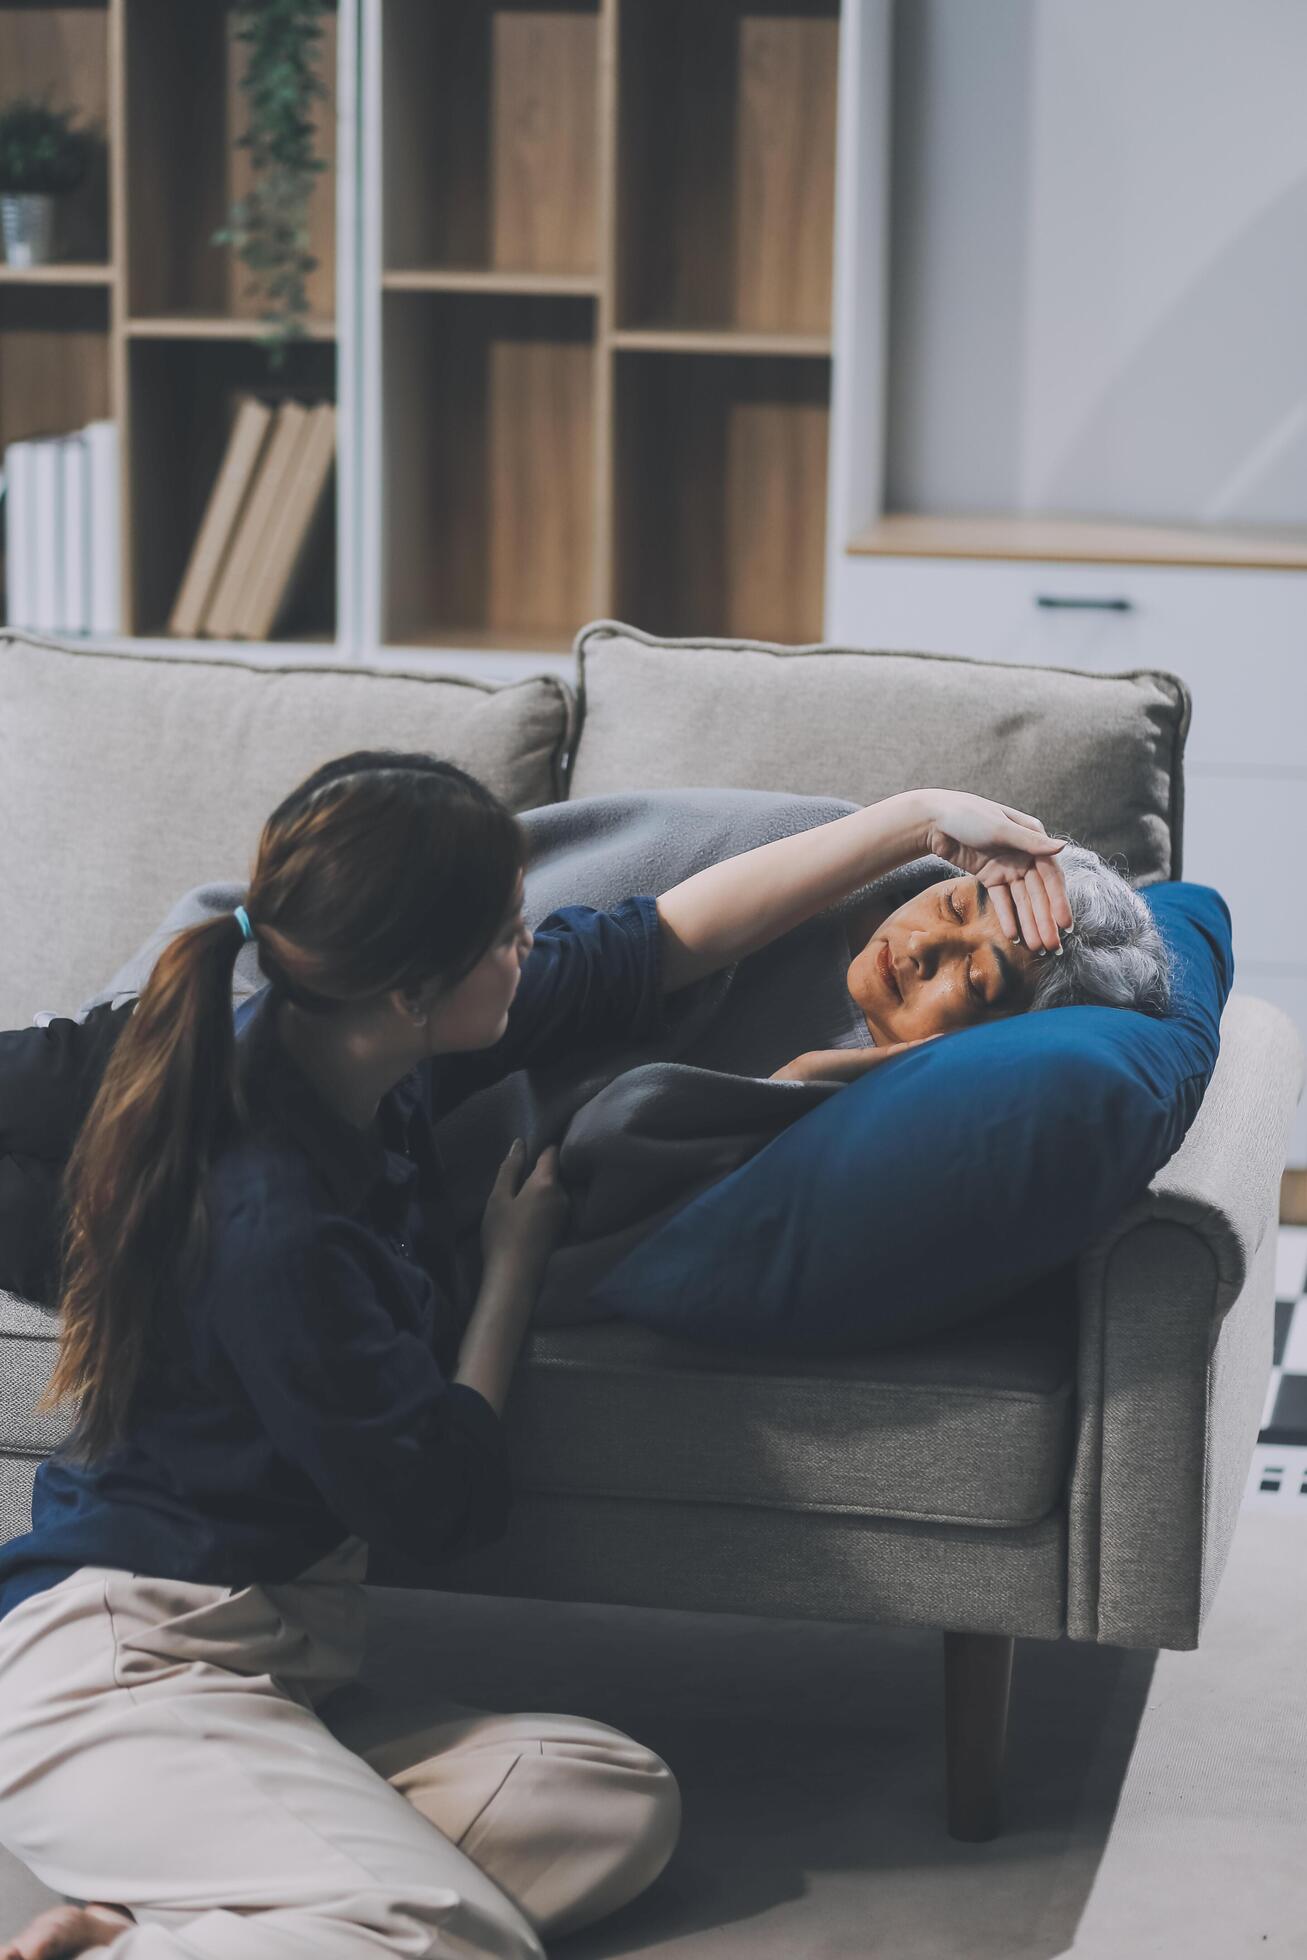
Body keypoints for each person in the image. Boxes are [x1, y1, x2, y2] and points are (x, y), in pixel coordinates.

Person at [0, 761, 1069, 1960]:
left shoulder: (372, 1060)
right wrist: (510, 1265)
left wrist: (922, 817)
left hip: (270, 1666)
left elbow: (650, 945)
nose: (531, 945)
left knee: (608, 1799)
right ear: (412, 988)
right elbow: (445, 1499)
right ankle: (228, 1912)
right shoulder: (281, 1226)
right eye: (508, 934)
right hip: (118, 1670)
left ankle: (182, 1911)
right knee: (449, 1937)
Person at [769, 841, 1171, 1085]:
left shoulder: (863, 1122)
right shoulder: (832, 851)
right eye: (954, 906)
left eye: (974, 978)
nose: (920, 943)